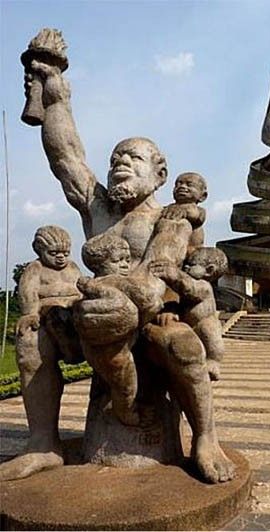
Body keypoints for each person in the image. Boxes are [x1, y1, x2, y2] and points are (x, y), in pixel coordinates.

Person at [0, 53, 234, 484]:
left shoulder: (172, 218)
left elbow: (154, 282)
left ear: (160, 174)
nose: (119, 164)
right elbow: (66, 155)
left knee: (183, 346)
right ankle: (43, 444)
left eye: (132, 158)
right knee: (33, 334)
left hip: (151, 320)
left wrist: (111, 299)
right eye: (114, 159)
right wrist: (54, 89)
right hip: (97, 317)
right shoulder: (99, 209)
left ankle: (206, 438)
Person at [10, 226, 82, 479]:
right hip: (47, 316)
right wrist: (30, 313)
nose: (61, 258)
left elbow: (81, 288)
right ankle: (43, 441)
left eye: (65, 253)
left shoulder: (72, 268)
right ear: (39, 250)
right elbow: (28, 293)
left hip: (74, 315)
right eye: (54, 253)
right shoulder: (35, 269)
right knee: (31, 345)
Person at [79, 233, 165, 426]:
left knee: (116, 382)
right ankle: (126, 412)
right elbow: (153, 303)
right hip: (117, 350)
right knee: (125, 386)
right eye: (118, 261)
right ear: (98, 264)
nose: (125, 265)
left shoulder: (90, 285)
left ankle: (120, 408)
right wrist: (140, 322)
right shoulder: (121, 282)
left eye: (127, 259)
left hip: (92, 347)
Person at [150, 247, 228, 382]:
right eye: (186, 264)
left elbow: (190, 288)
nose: (186, 267)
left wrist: (175, 276)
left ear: (209, 270)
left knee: (210, 331)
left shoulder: (204, 286)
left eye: (192, 265)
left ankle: (213, 361)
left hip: (203, 322)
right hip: (189, 324)